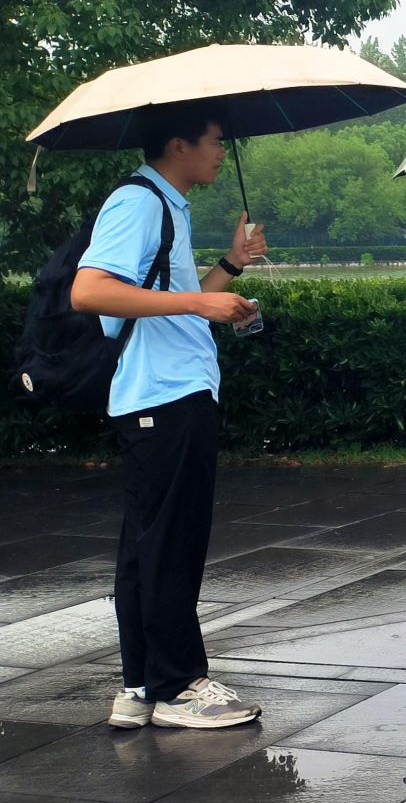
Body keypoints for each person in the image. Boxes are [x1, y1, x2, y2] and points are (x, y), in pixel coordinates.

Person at [70, 105, 268, 729]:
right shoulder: (139, 202)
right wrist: (198, 303)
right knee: (171, 545)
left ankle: (140, 687)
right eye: (215, 140)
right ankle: (179, 686)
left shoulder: (166, 206)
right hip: (164, 395)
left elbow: (169, 300)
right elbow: (89, 290)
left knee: (147, 547)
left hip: (167, 392)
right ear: (178, 145)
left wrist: (229, 268)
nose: (221, 151)